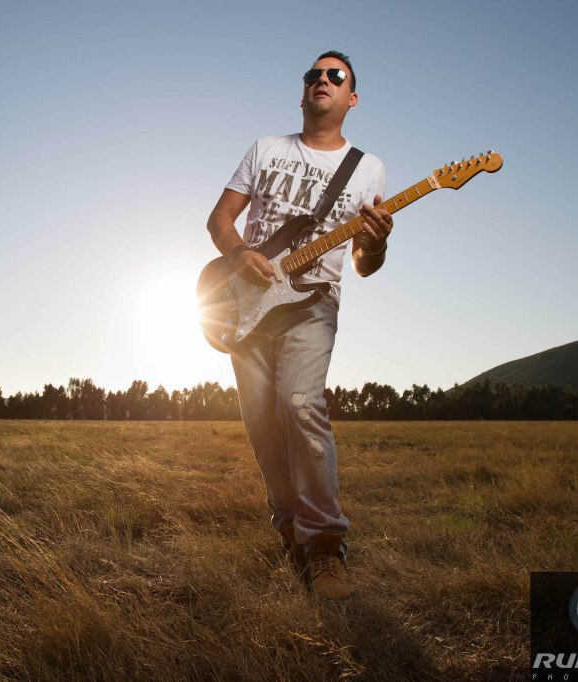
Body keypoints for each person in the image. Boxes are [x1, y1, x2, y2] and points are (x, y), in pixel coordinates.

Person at [205, 51, 394, 599]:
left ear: (351, 98)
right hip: (247, 301)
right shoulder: (267, 148)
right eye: (314, 75)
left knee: (299, 404)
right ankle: (290, 531)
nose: (322, 80)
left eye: (335, 76)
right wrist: (240, 254)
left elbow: (363, 264)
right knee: (262, 421)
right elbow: (219, 220)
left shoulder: (368, 168)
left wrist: (376, 243)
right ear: (303, 91)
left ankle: (326, 544)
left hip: (314, 301)